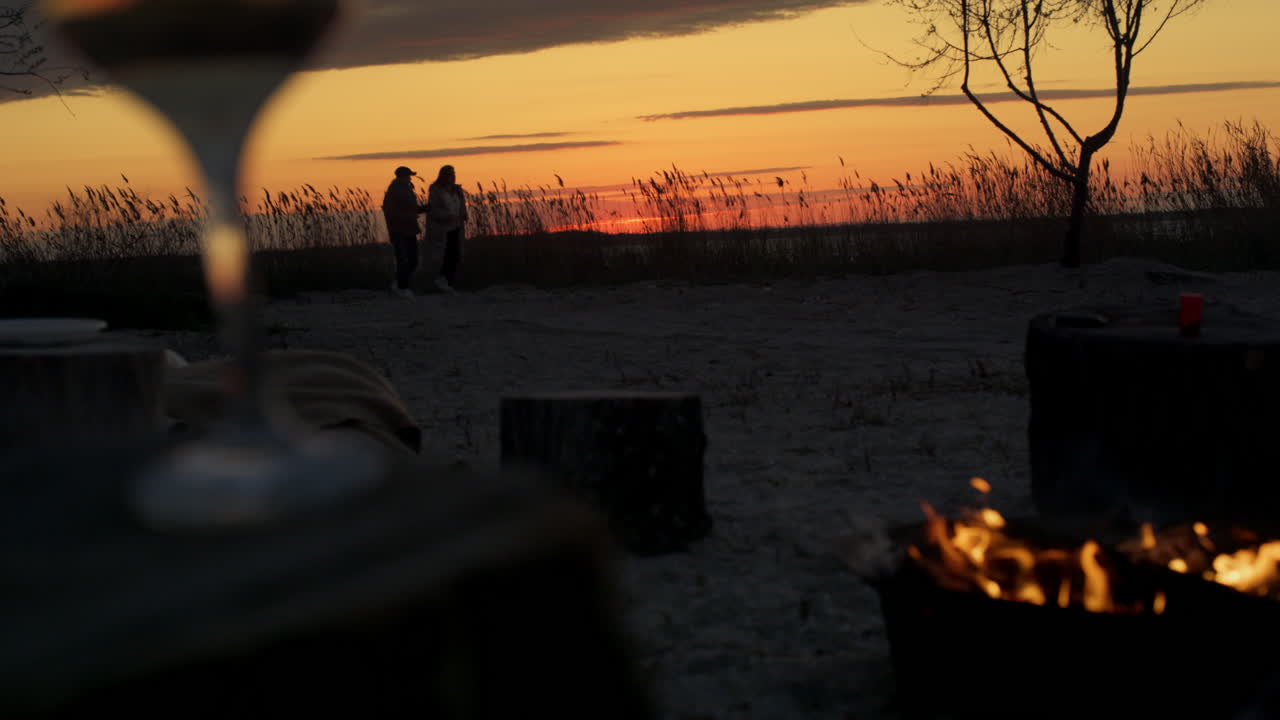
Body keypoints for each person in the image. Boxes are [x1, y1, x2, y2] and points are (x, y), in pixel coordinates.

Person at [381, 165, 426, 297]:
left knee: (413, 260)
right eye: (408, 176)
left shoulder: (407, 189)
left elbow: (411, 209)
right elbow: (389, 211)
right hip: (398, 230)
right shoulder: (394, 190)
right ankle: (402, 288)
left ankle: (398, 284)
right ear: (401, 177)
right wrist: (408, 216)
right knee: (403, 259)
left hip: (410, 229)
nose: (410, 178)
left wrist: (424, 209)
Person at [424, 164, 467, 293]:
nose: (452, 177)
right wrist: (447, 216)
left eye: (453, 174)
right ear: (443, 176)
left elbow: (462, 205)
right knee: (445, 255)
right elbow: (432, 210)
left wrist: (463, 214)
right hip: (442, 228)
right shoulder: (436, 191)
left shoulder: (457, 191)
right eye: (449, 174)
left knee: (456, 255)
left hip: (456, 226)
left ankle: (448, 283)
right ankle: (441, 280)